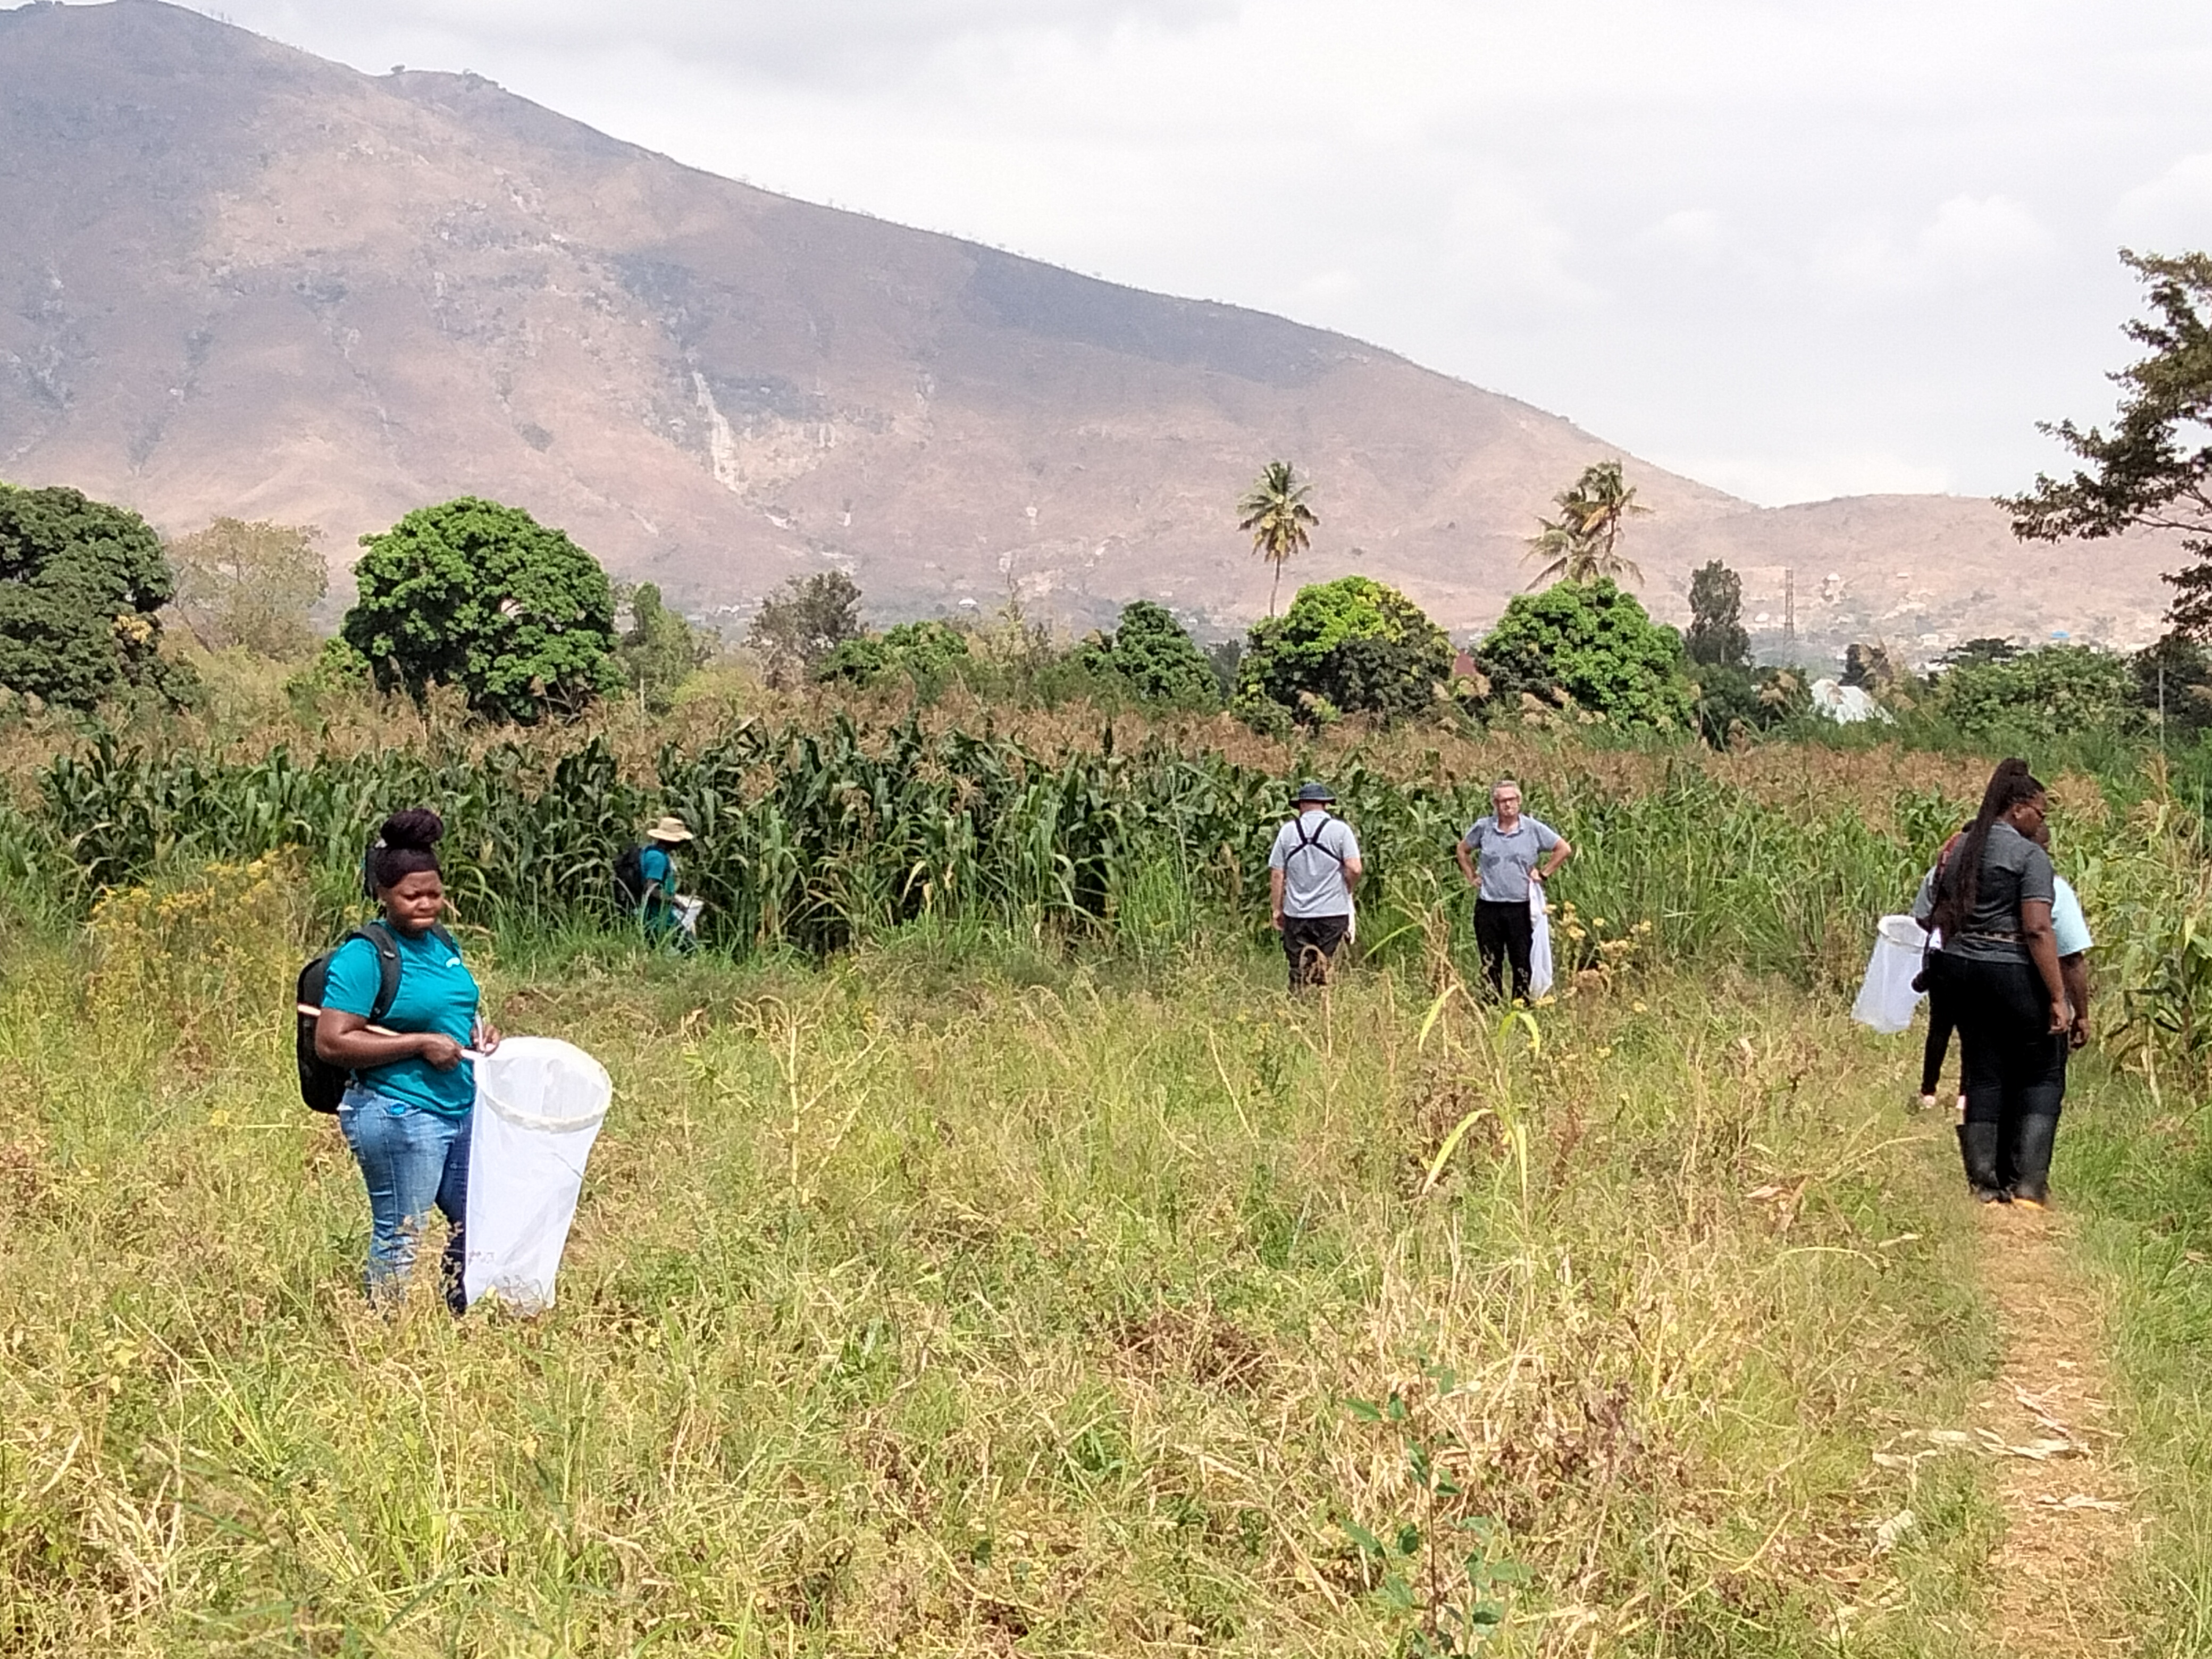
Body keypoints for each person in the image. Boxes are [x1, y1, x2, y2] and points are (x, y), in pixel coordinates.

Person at [315, 809, 500, 1311]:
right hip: (398, 1112)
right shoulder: (365, 955)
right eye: (411, 895)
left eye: (434, 894)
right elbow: (331, 1042)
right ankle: (381, 1338)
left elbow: (454, 1005)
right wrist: (418, 1044)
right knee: (401, 1234)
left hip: (459, 1106)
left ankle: (462, 1313)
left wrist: (476, 1033)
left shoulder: (442, 942)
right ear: (383, 893)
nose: (425, 905)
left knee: (480, 1217)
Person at [1920, 759, 2071, 1205]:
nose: (2042, 821)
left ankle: (1984, 1185)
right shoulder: (2029, 856)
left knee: (1983, 1072)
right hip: (2011, 968)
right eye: (2041, 813)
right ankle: (2027, 1184)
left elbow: (1934, 912)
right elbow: (2038, 929)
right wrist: (2058, 997)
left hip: (1962, 966)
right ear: (2020, 808)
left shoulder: (1959, 847)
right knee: (2042, 1072)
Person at [1456, 780, 1573, 1002]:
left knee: (1521, 959)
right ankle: (1491, 1004)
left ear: (1519, 802)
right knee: (1490, 959)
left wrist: (1545, 873)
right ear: (1495, 804)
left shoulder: (1532, 829)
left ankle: (1522, 1004)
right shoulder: (1484, 828)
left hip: (1521, 907)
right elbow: (1463, 850)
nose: (1507, 805)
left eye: (1511, 800)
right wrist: (1471, 876)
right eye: (1502, 801)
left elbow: (1563, 849)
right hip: (1489, 906)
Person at [1268, 780, 1362, 990]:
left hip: (1297, 915)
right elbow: (1355, 868)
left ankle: (1299, 1011)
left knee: (1299, 969)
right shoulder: (1341, 831)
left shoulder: (1288, 832)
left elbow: (1277, 873)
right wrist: (1348, 887)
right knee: (1326, 968)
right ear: (1325, 804)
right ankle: (1323, 1010)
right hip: (1333, 913)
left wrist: (1277, 909)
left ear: (1301, 806)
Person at [621, 816, 697, 949]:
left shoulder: (650, 853)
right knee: (691, 948)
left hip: (651, 916)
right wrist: (675, 902)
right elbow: (651, 889)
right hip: (659, 917)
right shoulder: (658, 859)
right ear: (673, 841)